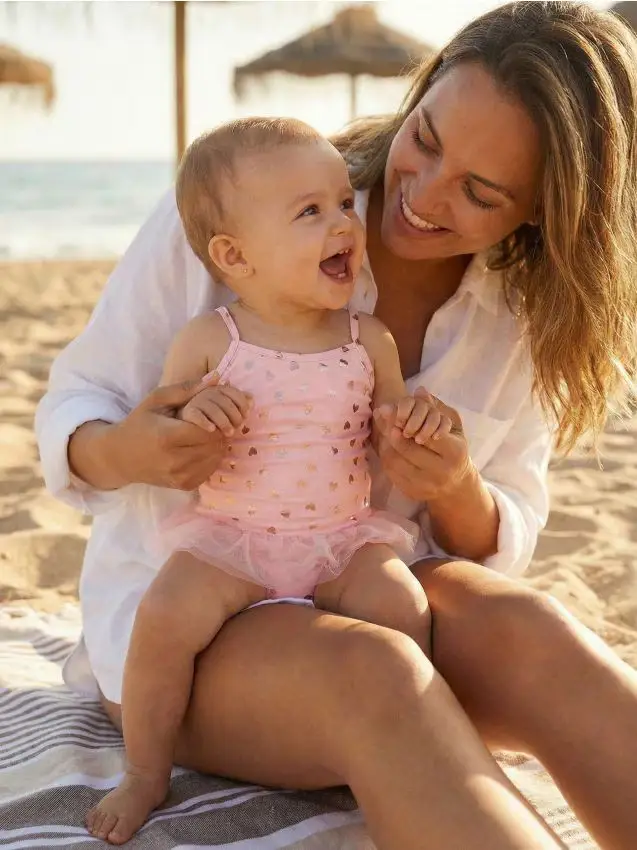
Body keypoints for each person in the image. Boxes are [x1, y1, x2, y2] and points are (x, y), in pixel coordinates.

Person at [36, 2, 637, 849]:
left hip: (363, 574)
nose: (422, 195)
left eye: (480, 192)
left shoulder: (523, 314)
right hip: (204, 618)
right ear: (419, 93)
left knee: (535, 635)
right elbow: (76, 403)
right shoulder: (244, 202)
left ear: (541, 209)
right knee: (376, 670)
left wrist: (455, 488)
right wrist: (131, 447)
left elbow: (503, 522)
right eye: (425, 140)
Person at [85, 117, 449, 842]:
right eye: (309, 212)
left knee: (402, 605)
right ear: (234, 255)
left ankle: (411, 737)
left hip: (341, 537)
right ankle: (145, 771)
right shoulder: (212, 340)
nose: (343, 223)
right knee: (162, 621)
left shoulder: (367, 339)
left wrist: (413, 425)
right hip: (235, 538)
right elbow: (173, 426)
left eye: (343, 203)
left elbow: (388, 426)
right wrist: (199, 413)